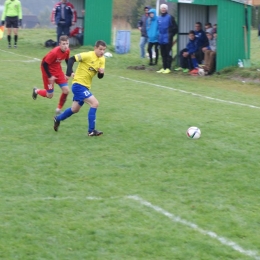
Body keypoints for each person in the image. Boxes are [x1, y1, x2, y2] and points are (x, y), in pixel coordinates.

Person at [53, 40, 107, 137]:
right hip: (78, 85)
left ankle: (58, 118)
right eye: (100, 49)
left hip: (85, 87)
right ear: (95, 48)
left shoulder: (102, 59)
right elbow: (71, 59)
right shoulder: (88, 55)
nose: (102, 52)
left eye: (104, 50)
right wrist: (69, 73)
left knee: (75, 109)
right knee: (95, 103)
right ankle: (91, 131)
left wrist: (101, 73)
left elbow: (100, 77)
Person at [32, 35, 70, 115]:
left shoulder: (67, 51)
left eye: (67, 43)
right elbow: (45, 64)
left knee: (66, 90)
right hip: (47, 71)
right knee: (50, 95)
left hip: (58, 70)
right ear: (59, 44)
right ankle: (36, 91)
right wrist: (50, 76)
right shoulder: (54, 53)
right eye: (63, 44)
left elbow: (67, 60)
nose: (65, 46)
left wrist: (69, 72)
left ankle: (58, 109)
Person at [157, 3, 178, 74]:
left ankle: (168, 68)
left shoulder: (170, 17)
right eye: (162, 8)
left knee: (168, 53)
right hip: (161, 38)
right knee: (163, 54)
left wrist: (171, 35)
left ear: (166, 9)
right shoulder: (159, 18)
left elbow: (175, 28)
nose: (163, 9)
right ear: (160, 9)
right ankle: (164, 67)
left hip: (168, 38)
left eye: (164, 8)